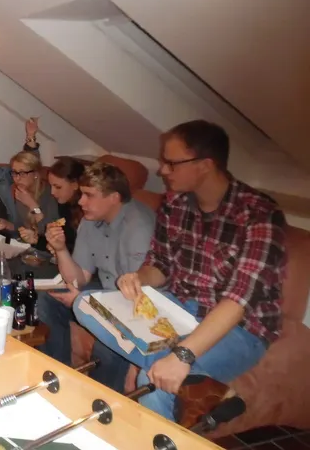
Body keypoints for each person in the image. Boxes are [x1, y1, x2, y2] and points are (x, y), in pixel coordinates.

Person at [75, 121, 287, 421]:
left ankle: (177, 393)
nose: (163, 170)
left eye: (172, 163)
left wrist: (183, 355)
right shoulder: (175, 203)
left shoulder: (259, 214)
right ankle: (196, 383)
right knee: (85, 304)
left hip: (240, 328)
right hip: (177, 310)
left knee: (153, 381)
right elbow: (160, 265)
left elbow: (239, 300)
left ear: (205, 165)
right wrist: (138, 278)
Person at [37, 162, 156, 393]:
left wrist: (84, 300)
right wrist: (61, 250)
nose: (81, 202)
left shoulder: (139, 225)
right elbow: (78, 279)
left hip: (136, 304)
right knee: (46, 299)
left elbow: (136, 295)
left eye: (89, 195)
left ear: (114, 197)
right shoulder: (90, 221)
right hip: (104, 292)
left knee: (107, 346)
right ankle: (56, 376)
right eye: (81, 194)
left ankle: (103, 400)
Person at [20, 157, 85, 253]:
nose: (52, 192)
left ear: (75, 185)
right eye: (51, 186)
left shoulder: (86, 210)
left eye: (58, 187)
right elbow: (52, 238)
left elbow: (79, 250)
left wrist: (33, 206)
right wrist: (36, 240)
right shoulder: (60, 202)